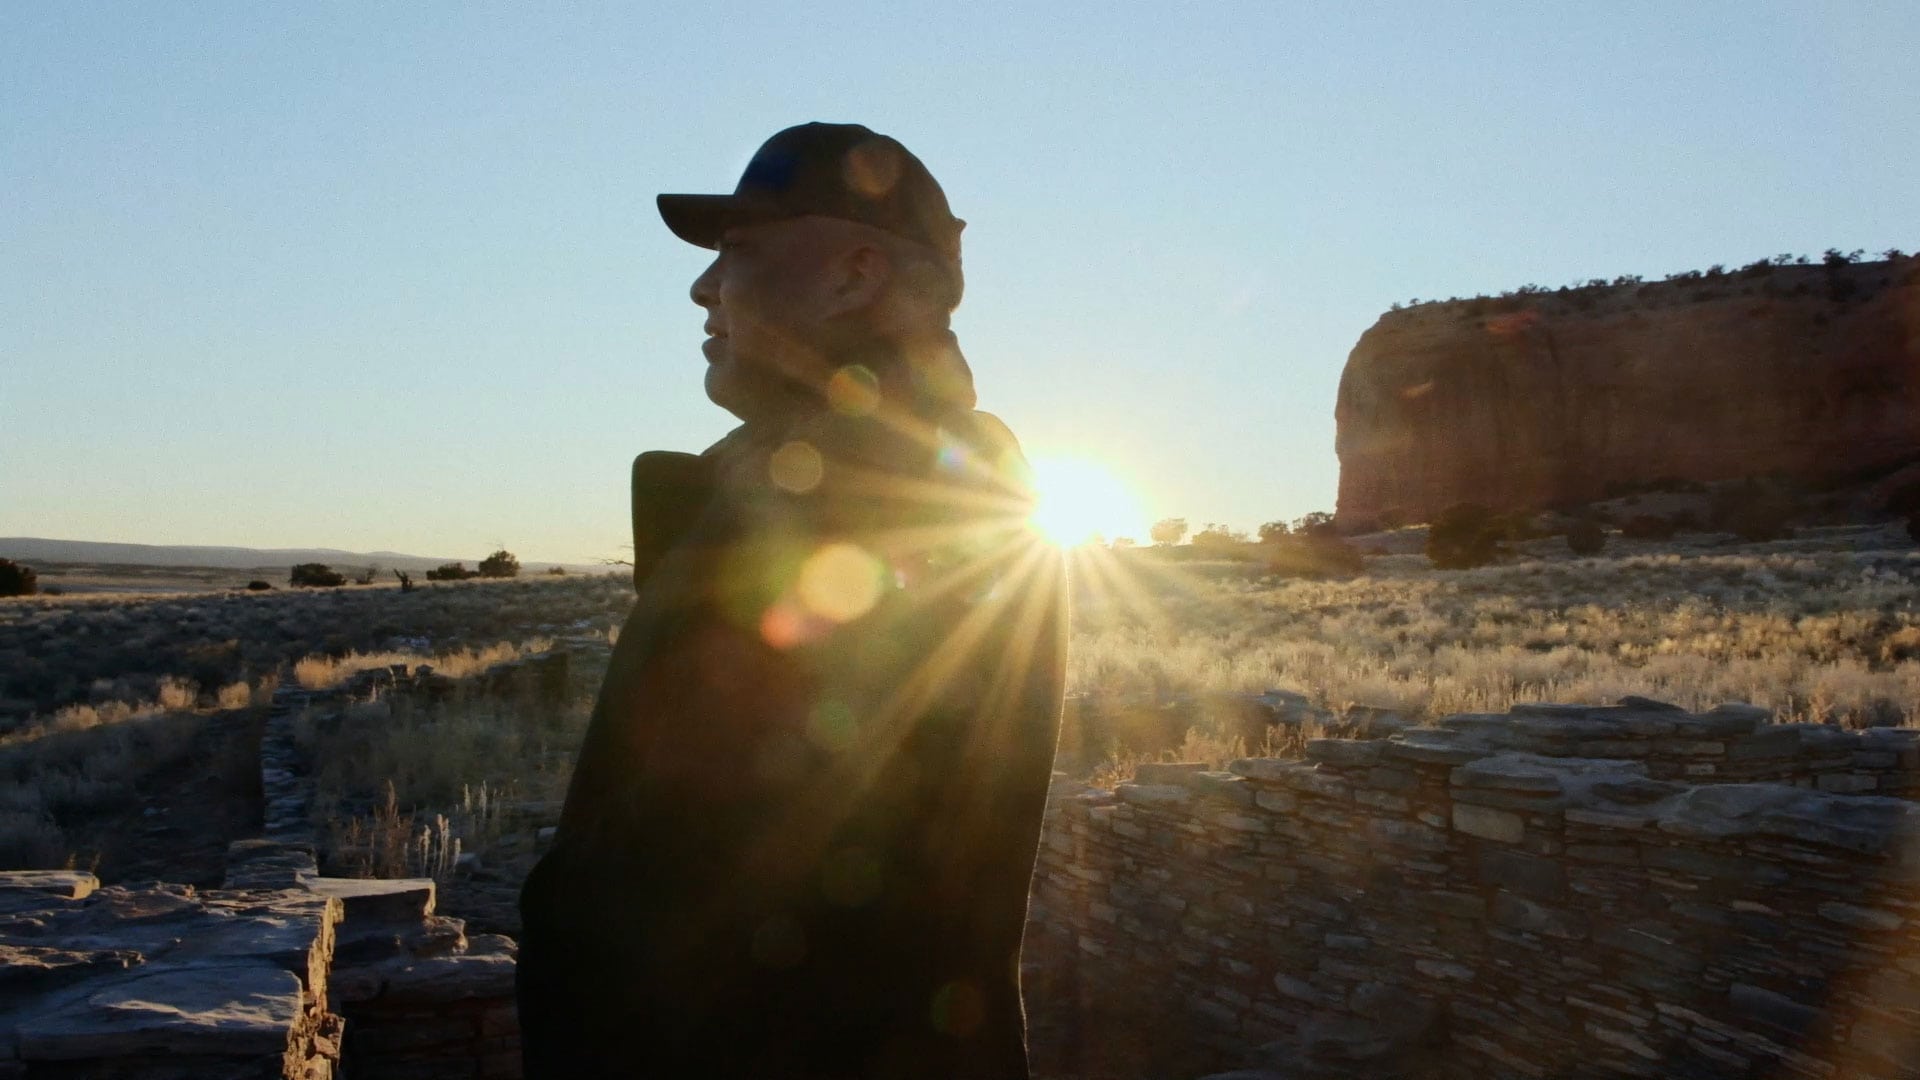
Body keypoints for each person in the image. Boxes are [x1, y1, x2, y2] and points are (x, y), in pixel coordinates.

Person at [516, 122, 1067, 1079]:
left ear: (854, 277)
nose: (702, 288)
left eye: (738, 253)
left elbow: (735, 894)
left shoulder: (868, 503)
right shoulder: (828, 478)